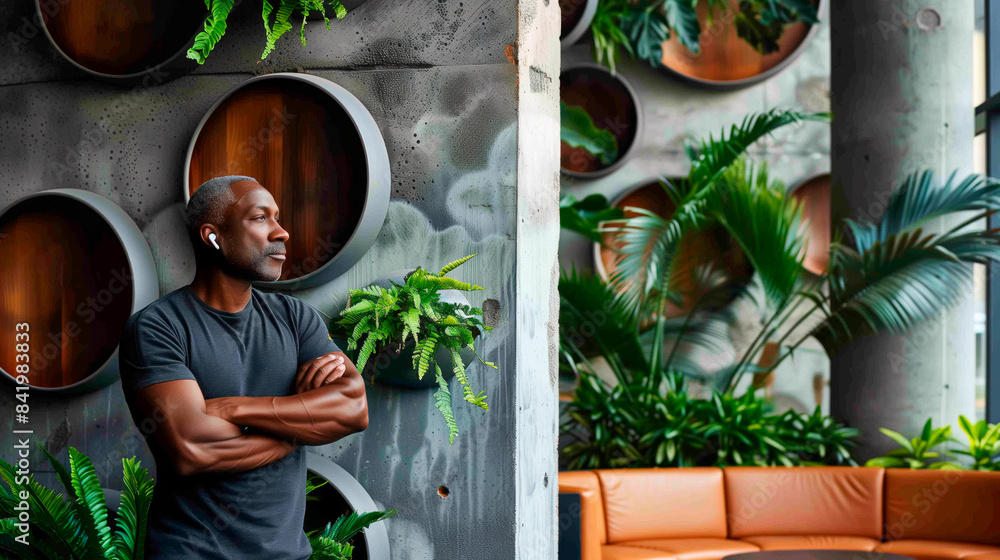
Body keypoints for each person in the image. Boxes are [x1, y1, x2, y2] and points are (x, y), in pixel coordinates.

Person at [118, 175, 368, 559]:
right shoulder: (157, 327)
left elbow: (352, 409)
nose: (282, 233)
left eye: (278, 218)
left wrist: (234, 408)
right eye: (260, 218)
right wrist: (297, 430)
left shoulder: (296, 319)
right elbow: (191, 450)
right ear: (212, 236)